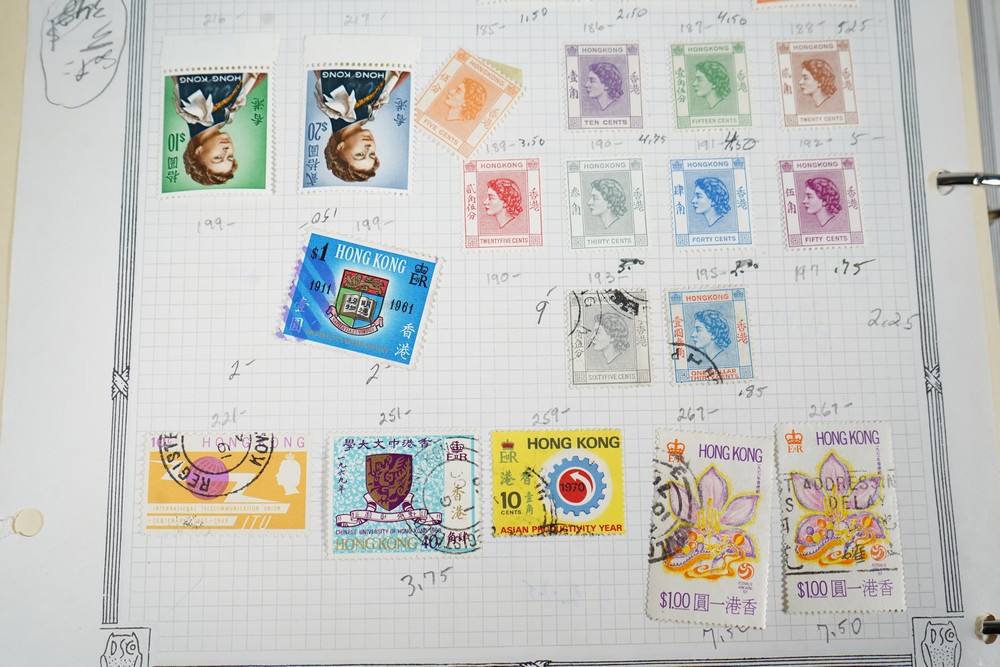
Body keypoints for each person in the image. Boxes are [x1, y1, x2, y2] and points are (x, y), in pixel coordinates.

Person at [315, 68, 407, 182]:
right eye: (372, 154)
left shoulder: (333, 99)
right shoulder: (374, 106)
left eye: (360, 154)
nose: (369, 148)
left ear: (340, 148)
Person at [173, 72, 264, 186]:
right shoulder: (228, 113)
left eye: (218, 157)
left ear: (198, 152)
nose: (227, 150)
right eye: (230, 156)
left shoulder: (191, 107)